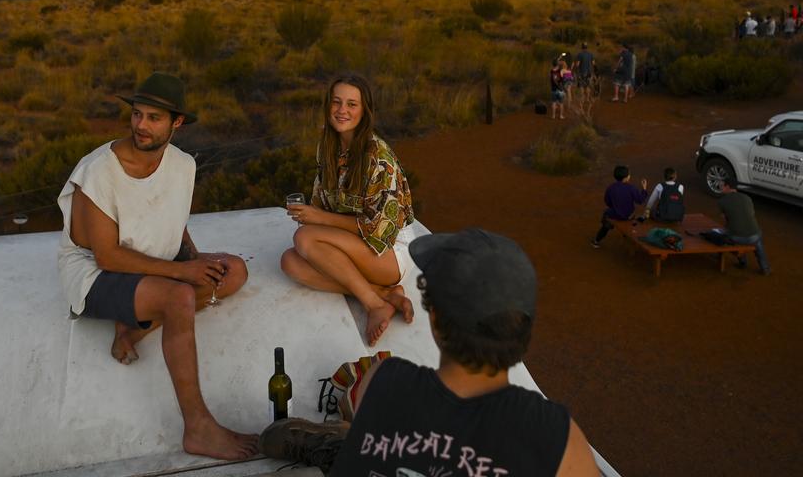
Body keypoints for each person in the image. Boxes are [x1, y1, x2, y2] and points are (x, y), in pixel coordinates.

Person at [260, 229, 598, 476]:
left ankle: (338, 446)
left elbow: (358, 403)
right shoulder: (555, 436)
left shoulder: (384, 381)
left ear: (433, 319)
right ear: (524, 329)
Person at [57, 72, 256, 460]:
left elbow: (172, 220)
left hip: (152, 263)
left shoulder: (182, 165)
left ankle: (133, 327)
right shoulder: (99, 170)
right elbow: (108, 256)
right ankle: (198, 427)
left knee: (234, 271)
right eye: (137, 115)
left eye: (154, 118)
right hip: (95, 275)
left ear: (176, 123)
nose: (141, 126)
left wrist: (196, 259)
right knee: (180, 296)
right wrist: (183, 272)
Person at [280, 74, 417, 346]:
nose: (342, 110)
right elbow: (322, 204)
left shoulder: (377, 156)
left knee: (304, 239)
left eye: (352, 104)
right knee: (290, 262)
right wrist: (313, 216)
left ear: (365, 111)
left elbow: (379, 228)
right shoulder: (328, 147)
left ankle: (372, 305)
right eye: (336, 102)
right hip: (359, 245)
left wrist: (319, 219)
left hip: (389, 250)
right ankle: (383, 294)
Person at [717, 179, 771, 275]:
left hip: (737, 237)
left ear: (728, 187)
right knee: (757, 241)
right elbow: (751, 214)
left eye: (722, 186)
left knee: (727, 237)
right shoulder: (747, 198)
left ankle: (742, 261)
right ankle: (765, 268)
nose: (720, 187)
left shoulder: (722, 201)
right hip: (755, 235)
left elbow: (726, 221)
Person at [592, 165, 648, 248]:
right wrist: (644, 189)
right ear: (626, 178)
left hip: (614, 214)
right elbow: (640, 200)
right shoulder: (631, 188)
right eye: (629, 174)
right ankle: (628, 235)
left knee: (606, 216)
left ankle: (597, 240)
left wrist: (615, 206)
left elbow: (607, 201)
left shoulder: (610, 188)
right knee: (632, 218)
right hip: (628, 215)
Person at [573, 42, 596, 113]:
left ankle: (582, 98)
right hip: (589, 72)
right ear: (587, 47)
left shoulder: (580, 54)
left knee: (582, 86)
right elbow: (594, 63)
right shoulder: (590, 54)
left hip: (582, 73)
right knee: (588, 86)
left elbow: (577, 65)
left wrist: (575, 69)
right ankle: (587, 98)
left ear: (582, 47)